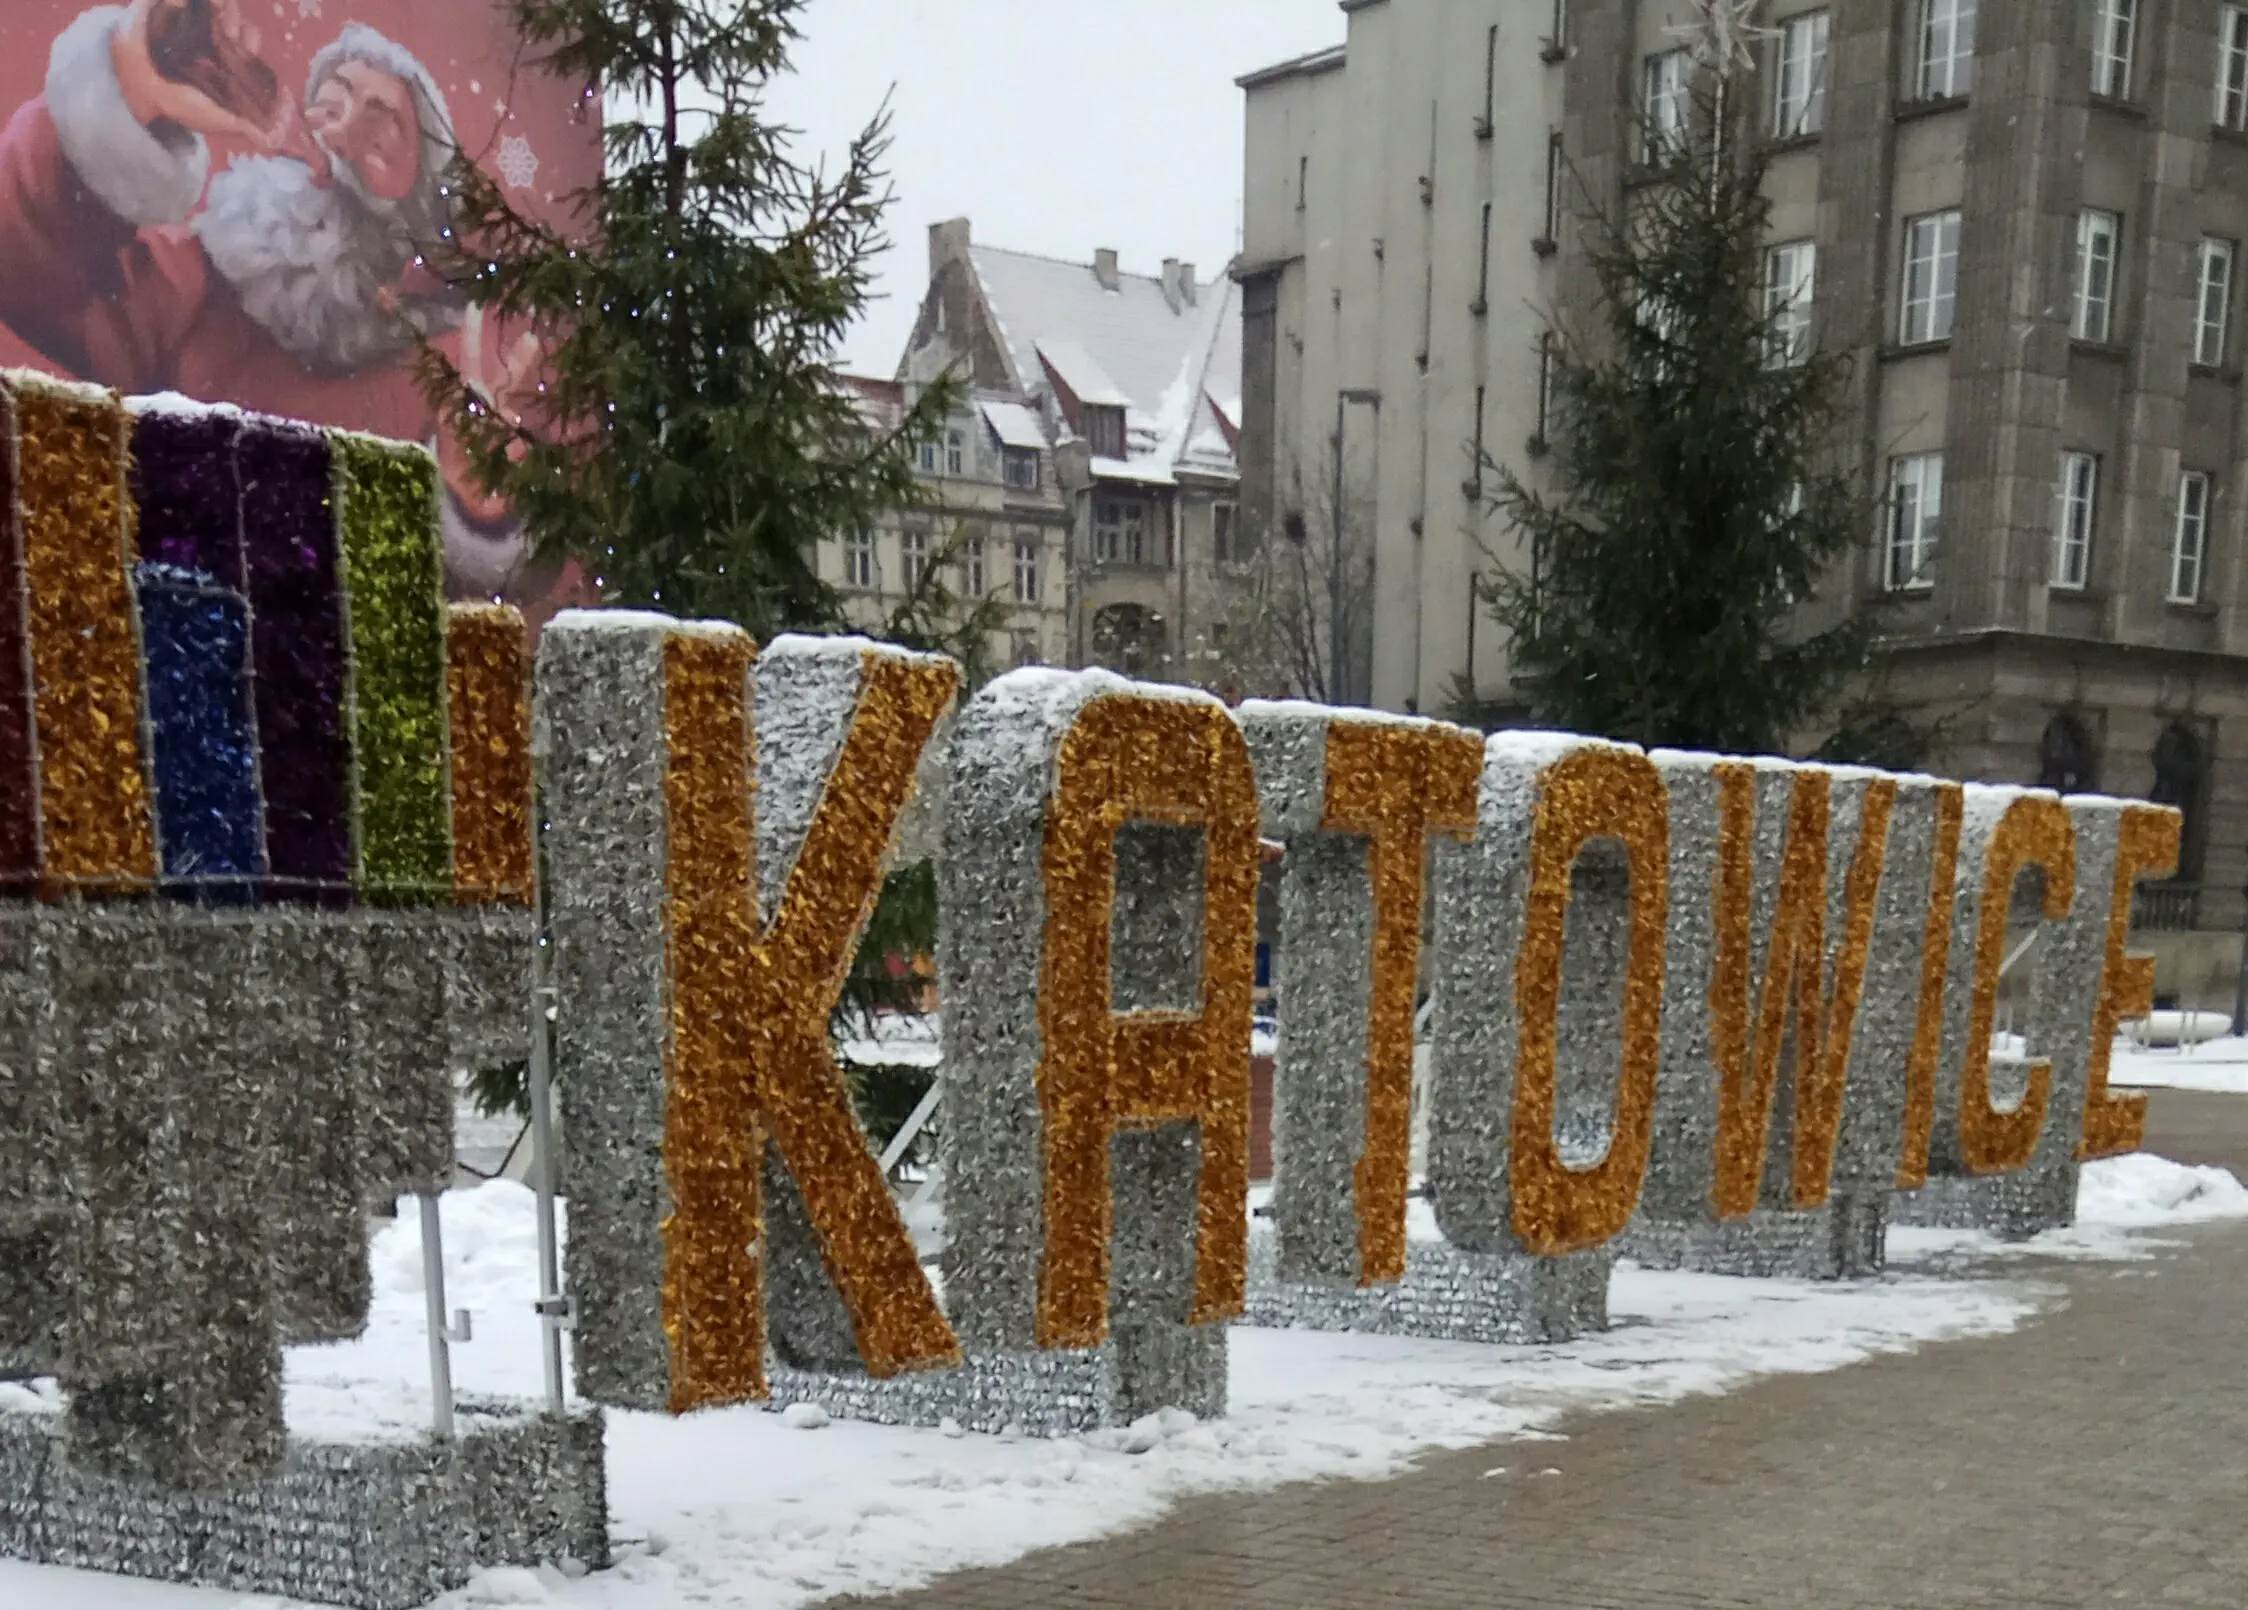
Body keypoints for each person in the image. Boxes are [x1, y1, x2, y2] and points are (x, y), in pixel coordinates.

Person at [0, 0, 537, 598]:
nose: (346, 127)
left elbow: (474, 592)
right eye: (336, 95)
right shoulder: (204, 279)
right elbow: (30, 263)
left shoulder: (444, 374)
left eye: (383, 119)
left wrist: (476, 502)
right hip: (176, 623)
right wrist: (130, 90)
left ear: (421, 182)